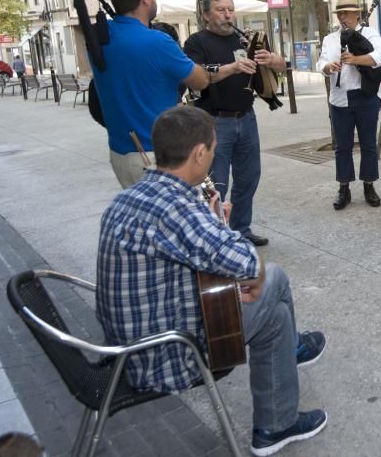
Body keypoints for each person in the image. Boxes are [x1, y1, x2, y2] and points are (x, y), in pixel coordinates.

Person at [96, 106, 328, 454]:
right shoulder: (174, 207)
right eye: (213, 150)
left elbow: (194, 253)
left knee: (274, 319)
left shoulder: (128, 198)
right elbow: (248, 264)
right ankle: (290, 361)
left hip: (130, 344)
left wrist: (214, 223)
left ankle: (276, 423)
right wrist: (239, 255)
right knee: (275, 276)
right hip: (167, 355)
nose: (213, 156)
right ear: (199, 153)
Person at [90, 0, 209, 189]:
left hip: (120, 153)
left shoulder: (100, 36)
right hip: (155, 155)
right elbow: (200, 80)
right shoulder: (158, 42)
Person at [183, 0, 286, 248]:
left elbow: (283, 66)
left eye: (230, 9)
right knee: (216, 183)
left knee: (249, 177)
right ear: (206, 15)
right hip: (214, 122)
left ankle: (241, 229)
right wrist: (232, 67)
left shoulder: (246, 39)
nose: (228, 14)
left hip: (247, 117)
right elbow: (195, 77)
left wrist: (273, 60)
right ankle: (216, 236)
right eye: (220, 9)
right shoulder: (196, 42)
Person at [318, 0, 381, 210]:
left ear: (357, 14)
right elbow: (320, 62)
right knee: (342, 146)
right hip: (339, 97)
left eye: (346, 13)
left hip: (365, 95)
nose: (342, 17)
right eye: (340, 13)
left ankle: (369, 185)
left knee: (368, 144)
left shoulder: (370, 34)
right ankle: (344, 188)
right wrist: (328, 67)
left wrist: (355, 59)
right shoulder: (330, 39)